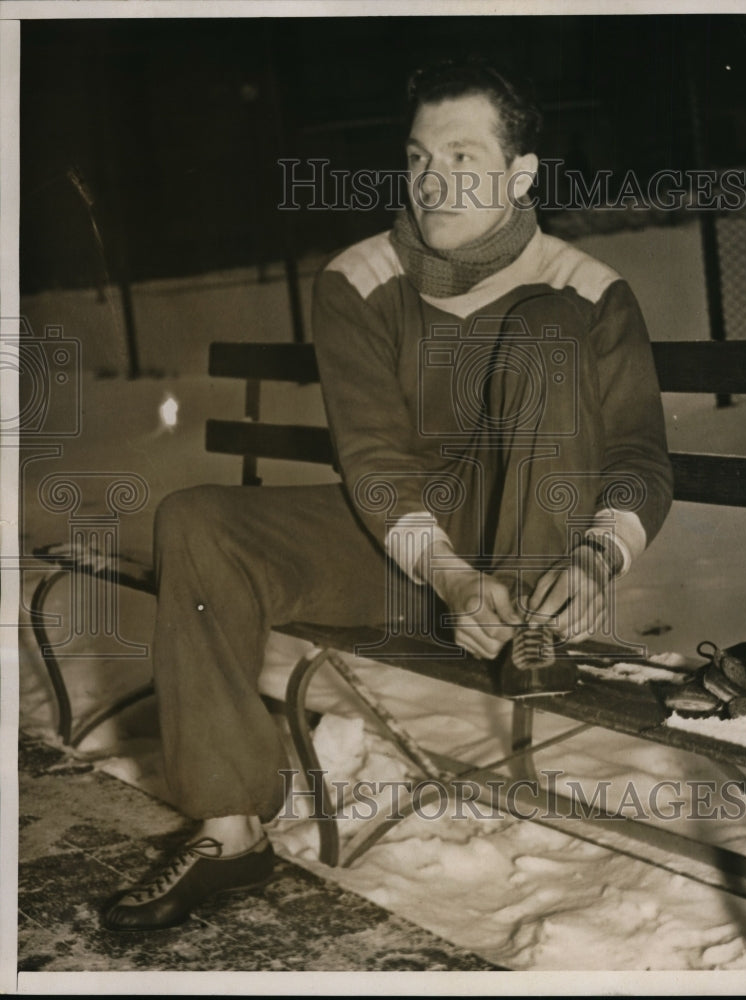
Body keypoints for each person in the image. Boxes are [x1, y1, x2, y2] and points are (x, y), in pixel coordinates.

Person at [102, 58, 672, 931]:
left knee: (542, 330)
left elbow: (637, 454)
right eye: (417, 158)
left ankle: (527, 630)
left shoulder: (586, 291)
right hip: (407, 547)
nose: (433, 181)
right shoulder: (358, 278)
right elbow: (372, 461)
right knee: (201, 520)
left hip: (529, 556)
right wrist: (446, 578)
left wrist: (595, 557)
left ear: (520, 174)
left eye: (462, 156)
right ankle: (230, 827)